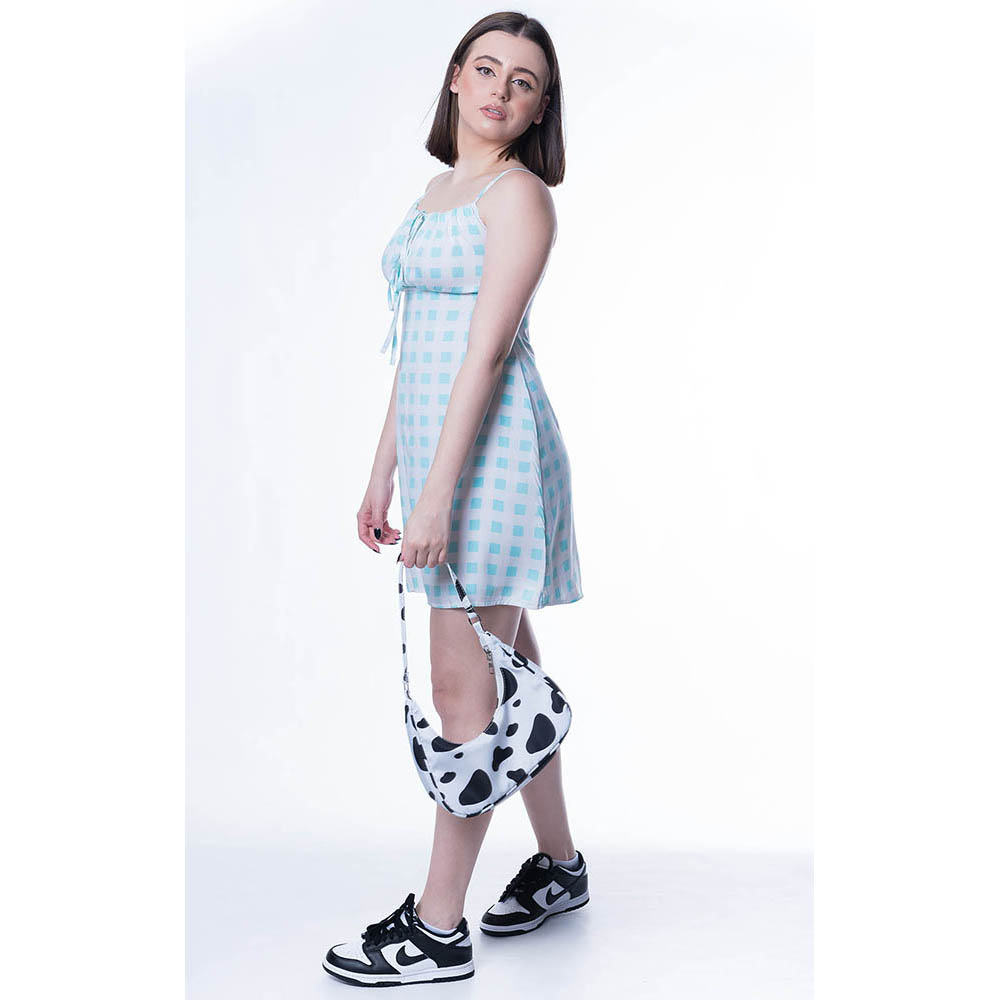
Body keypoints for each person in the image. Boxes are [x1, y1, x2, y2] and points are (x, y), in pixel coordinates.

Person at [324, 12, 587, 987]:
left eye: (524, 82)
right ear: (453, 78)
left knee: (463, 689)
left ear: (540, 108)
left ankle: (438, 927)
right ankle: (559, 866)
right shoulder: (438, 192)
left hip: (493, 459)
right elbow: (418, 351)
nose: (500, 91)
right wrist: (383, 471)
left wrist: (437, 496)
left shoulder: (518, 198)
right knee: (506, 670)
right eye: (486, 69)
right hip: (439, 456)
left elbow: (482, 355)